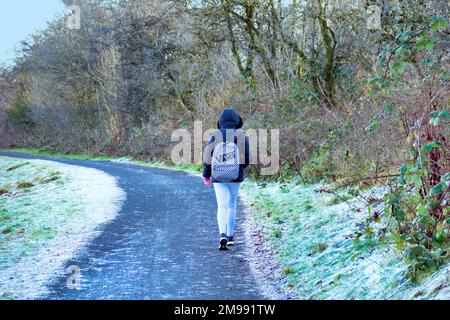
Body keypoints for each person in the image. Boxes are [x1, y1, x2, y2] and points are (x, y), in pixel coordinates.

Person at [202, 108, 250, 250]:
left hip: (218, 176)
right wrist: (238, 168)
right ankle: (230, 237)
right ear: (236, 121)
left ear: (220, 121)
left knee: (221, 206)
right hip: (236, 176)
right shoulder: (241, 135)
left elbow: (207, 157)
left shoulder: (215, 135)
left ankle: (222, 234)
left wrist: (206, 174)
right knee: (232, 205)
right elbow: (247, 158)